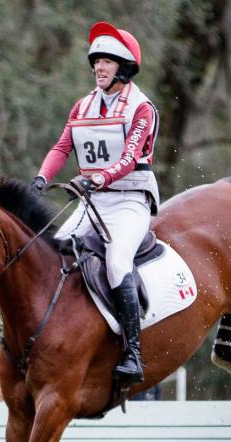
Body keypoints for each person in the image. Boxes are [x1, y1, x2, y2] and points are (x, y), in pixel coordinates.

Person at [34, 21, 160, 386]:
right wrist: (42, 178)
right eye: (96, 62)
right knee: (55, 252)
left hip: (131, 201)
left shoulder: (141, 108)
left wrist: (99, 178)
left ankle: (132, 352)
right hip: (93, 200)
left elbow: (129, 157)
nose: (98, 68)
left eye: (107, 61)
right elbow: (62, 147)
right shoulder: (83, 104)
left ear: (124, 67)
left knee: (118, 263)